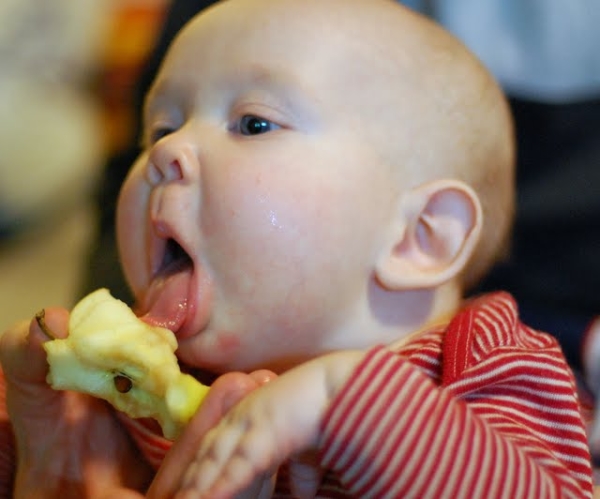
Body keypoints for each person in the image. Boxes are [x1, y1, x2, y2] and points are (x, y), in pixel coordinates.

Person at [0, 0, 593, 497]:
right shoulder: (131, 395)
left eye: (254, 123)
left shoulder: (489, 365)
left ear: (419, 238)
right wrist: (31, 448)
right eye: (160, 128)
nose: (168, 151)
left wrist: (344, 401)